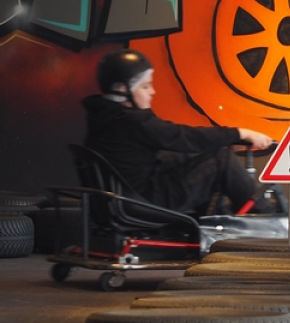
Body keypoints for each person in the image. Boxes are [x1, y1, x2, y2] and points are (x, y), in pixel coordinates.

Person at [83, 48, 275, 216]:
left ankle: (217, 222)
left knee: (190, 156)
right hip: (144, 201)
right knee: (221, 160)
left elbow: (176, 144)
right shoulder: (132, 121)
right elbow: (182, 136)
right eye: (145, 86)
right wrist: (238, 133)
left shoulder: (102, 118)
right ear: (122, 89)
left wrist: (221, 141)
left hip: (125, 199)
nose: (152, 92)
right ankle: (267, 218)